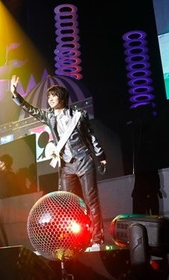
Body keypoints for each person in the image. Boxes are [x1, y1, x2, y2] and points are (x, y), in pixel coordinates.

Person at [10, 75, 107, 250]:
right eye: (49, 97)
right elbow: (31, 110)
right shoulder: (49, 116)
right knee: (68, 204)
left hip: (83, 160)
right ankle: (76, 240)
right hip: (66, 165)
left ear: (62, 97)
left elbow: (91, 136)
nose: (50, 99)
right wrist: (16, 95)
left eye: (53, 95)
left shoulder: (79, 115)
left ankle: (97, 239)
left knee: (91, 200)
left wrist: (100, 155)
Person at [0, 154, 25, 247]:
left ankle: (2, 247)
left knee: (0, 228)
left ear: (4, 163)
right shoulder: (14, 176)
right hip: (11, 204)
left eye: (0, 162)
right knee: (10, 228)